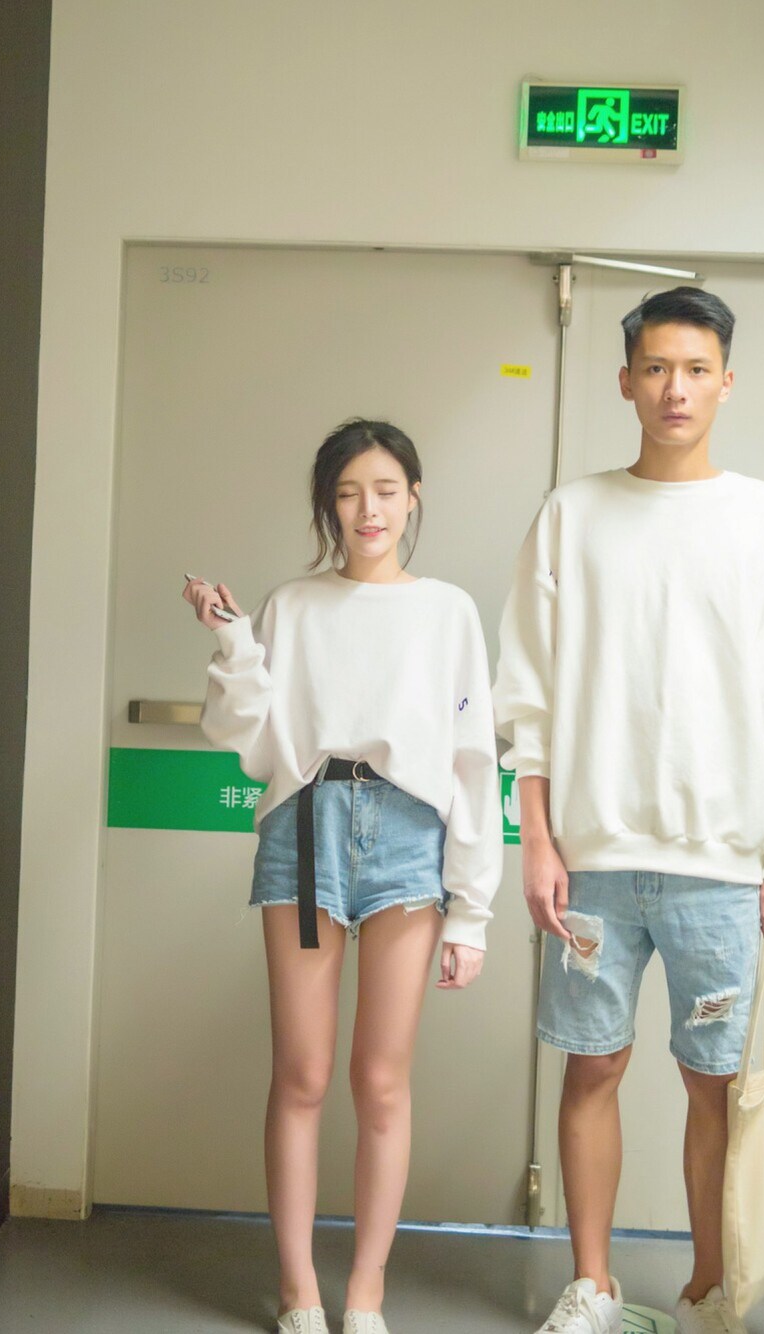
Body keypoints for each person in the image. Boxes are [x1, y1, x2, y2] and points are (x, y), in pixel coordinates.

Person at [492, 288, 764, 1334]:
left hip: (721, 862)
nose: (674, 388)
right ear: (625, 380)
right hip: (590, 855)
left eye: (695, 369)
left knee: (713, 1083)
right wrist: (536, 839)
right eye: (655, 368)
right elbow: (527, 691)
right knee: (590, 1064)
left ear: (725, 382)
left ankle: (707, 1291)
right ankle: (591, 1285)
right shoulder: (571, 513)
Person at [184, 419, 501, 1334]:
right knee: (303, 1074)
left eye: (387, 490)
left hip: (408, 836)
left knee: (382, 1081)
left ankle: (366, 1293)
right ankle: (299, 1292)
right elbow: (247, 741)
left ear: (413, 499)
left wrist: (472, 911)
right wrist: (235, 642)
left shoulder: (448, 611)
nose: (370, 509)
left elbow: (473, 760)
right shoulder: (292, 605)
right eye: (351, 492)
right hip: (306, 828)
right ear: (329, 503)